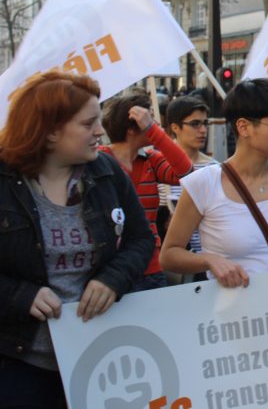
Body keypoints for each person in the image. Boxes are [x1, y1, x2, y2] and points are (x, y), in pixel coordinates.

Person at [0, 72, 154, 406]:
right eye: (88, 124)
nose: (100, 131)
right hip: (19, 360)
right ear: (51, 131)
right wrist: (19, 295)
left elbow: (141, 240)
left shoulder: (107, 172)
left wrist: (113, 280)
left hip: (100, 356)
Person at [160, 79, 268, 287]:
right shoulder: (204, 183)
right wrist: (209, 260)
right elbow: (169, 255)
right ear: (244, 127)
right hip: (226, 311)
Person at [100, 88, 192, 291]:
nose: (157, 125)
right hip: (109, 271)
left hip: (150, 267)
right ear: (131, 128)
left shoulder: (151, 159)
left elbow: (185, 172)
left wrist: (154, 133)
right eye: (149, 119)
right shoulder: (99, 162)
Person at [165, 96, 217, 261]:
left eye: (205, 124)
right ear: (175, 127)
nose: (203, 130)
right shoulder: (157, 165)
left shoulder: (214, 168)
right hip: (172, 260)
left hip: (207, 259)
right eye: (195, 124)